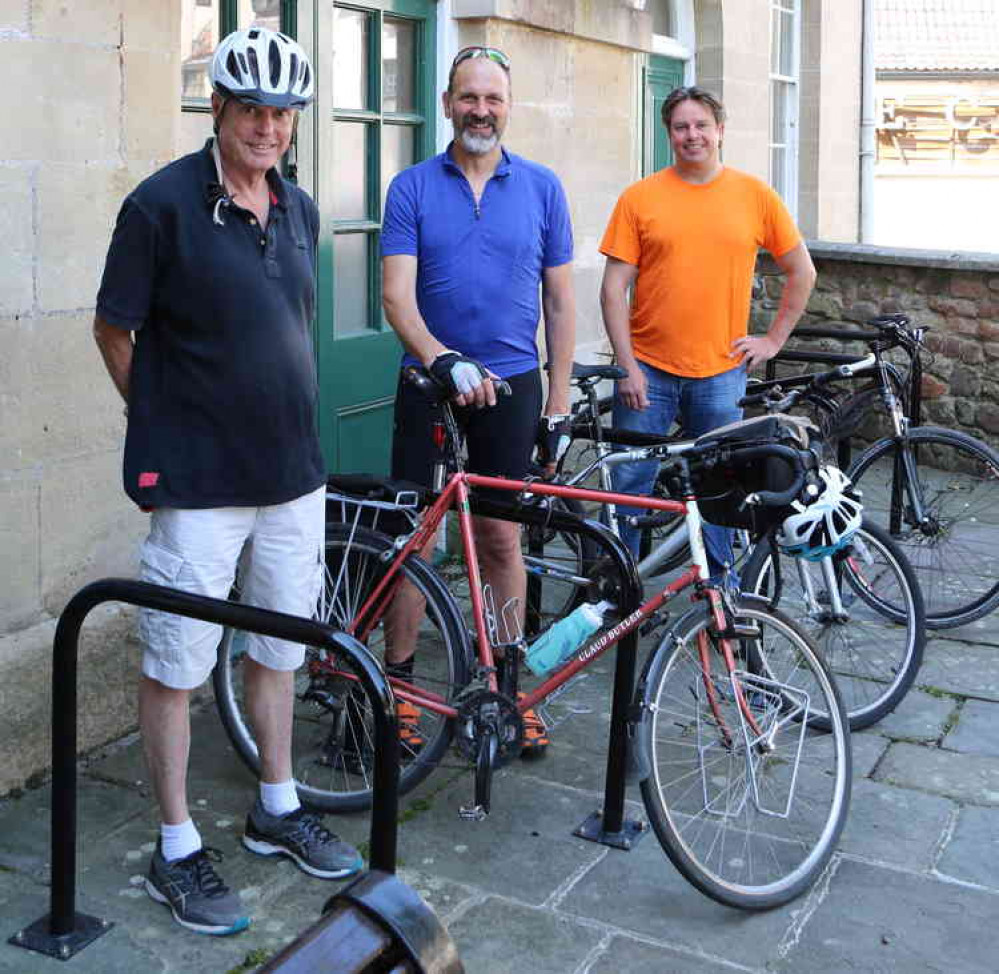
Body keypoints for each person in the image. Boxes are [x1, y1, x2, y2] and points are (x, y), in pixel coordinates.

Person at [93, 27, 362, 936]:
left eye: (283, 113)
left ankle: (275, 805)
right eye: (252, 109)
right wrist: (162, 421)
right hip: (199, 484)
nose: (268, 127)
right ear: (219, 107)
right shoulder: (158, 207)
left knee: (279, 648)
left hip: (292, 475)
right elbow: (112, 329)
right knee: (175, 663)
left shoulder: (300, 207)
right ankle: (175, 845)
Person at [380, 45, 576, 754]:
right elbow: (395, 298)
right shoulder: (409, 187)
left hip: (514, 386)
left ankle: (505, 687)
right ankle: (396, 687)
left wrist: (556, 400)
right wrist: (444, 360)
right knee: (413, 538)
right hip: (429, 383)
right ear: (447, 103)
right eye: (469, 97)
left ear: (508, 106)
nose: (480, 111)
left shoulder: (542, 187)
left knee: (500, 537)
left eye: (493, 99)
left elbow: (558, 300)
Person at [599, 85, 817, 576]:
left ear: (720, 131)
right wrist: (627, 366)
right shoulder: (640, 198)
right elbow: (613, 292)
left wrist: (773, 340)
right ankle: (620, 590)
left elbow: (802, 271)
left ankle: (719, 590)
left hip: (722, 374)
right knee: (628, 485)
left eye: (701, 125)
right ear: (668, 134)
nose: (691, 135)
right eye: (681, 127)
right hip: (647, 373)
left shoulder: (754, 194)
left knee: (722, 491)